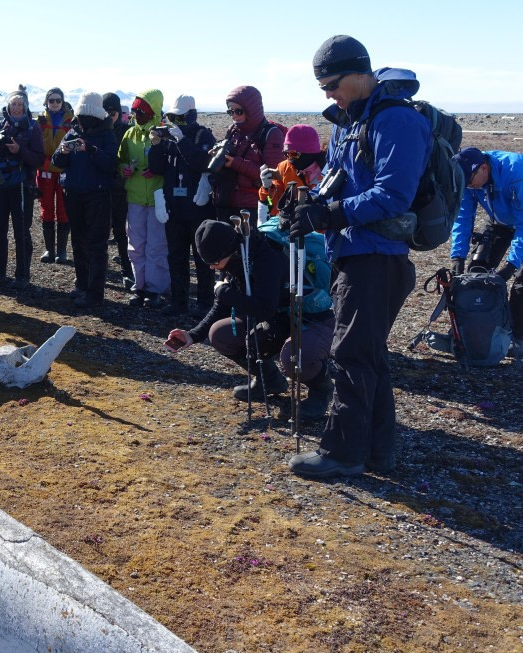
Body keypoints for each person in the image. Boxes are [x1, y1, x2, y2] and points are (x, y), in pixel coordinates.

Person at [287, 35, 431, 479]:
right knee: (368, 356)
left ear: (359, 72)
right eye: (322, 86)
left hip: (377, 257)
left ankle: (342, 452)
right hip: (353, 252)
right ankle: (377, 452)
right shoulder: (349, 121)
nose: (327, 93)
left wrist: (330, 214)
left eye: (331, 83)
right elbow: (337, 179)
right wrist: (310, 206)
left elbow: (393, 194)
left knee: (350, 353)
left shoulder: (396, 122)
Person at [165, 220, 334, 417]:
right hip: (281, 316)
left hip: (314, 317)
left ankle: (321, 391)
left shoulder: (266, 257)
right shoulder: (236, 254)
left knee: (294, 356)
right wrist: (193, 335)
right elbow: (223, 305)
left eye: (214, 262)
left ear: (226, 252)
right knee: (219, 334)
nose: (212, 268)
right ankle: (269, 379)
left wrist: (225, 292)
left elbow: (264, 309)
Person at [147, 94, 217, 316]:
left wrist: (182, 140)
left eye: (179, 117)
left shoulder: (202, 135)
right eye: (171, 117)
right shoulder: (169, 139)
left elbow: (203, 163)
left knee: (202, 257)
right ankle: (179, 301)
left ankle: (205, 302)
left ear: (190, 115)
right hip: (174, 207)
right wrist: (157, 145)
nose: (175, 122)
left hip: (198, 206)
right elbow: (157, 168)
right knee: (176, 255)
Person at [449, 147, 523, 355]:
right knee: (476, 272)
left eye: (470, 181)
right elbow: (462, 218)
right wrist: (458, 256)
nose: (469, 186)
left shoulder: (516, 172)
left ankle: (517, 336)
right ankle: (475, 327)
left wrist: (511, 265)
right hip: (500, 220)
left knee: (520, 283)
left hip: (521, 217)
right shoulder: (469, 178)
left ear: (483, 168)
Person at [52, 92, 118, 309]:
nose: (83, 119)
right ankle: (82, 284)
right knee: (78, 240)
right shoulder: (73, 131)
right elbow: (57, 161)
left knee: (97, 244)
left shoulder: (107, 134)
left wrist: (91, 150)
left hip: (97, 194)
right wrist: (63, 151)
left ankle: (95, 293)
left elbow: (110, 165)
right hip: (73, 192)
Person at [118, 89, 170, 307]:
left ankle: (155, 289)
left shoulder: (164, 134)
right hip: (136, 195)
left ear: (153, 112)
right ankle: (140, 286)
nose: (136, 115)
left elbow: (172, 163)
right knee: (136, 243)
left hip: (158, 197)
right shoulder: (130, 134)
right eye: (134, 110)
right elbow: (121, 160)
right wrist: (125, 170)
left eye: (141, 111)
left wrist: (159, 170)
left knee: (157, 245)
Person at [0, 86, 44, 288]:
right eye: (14, 104)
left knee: (21, 231)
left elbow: (38, 159)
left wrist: (20, 150)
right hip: (0, 184)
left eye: (20, 104)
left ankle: (23, 275)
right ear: (8, 106)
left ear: (26, 106)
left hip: (22, 185)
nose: (17, 108)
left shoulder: (33, 128)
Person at [212, 85, 284, 226]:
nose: (234, 116)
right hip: (227, 200)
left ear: (252, 110)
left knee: (252, 247)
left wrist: (235, 163)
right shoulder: (233, 130)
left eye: (238, 111)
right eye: (230, 111)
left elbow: (272, 176)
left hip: (254, 206)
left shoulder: (271, 133)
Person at [35, 87, 74, 264]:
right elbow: (34, 144)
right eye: (52, 100)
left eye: (58, 100)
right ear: (46, 102)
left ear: (63, 101)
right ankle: (49, 250)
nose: (55, 103)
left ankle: (62, 252)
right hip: (45, 169)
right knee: (47, 208)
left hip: (65, 169)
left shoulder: (71, 120)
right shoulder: (40, 120)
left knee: (64, 209)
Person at [257, 124, 326, 221]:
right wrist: (267, 189)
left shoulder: (328, 171)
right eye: (285, 153)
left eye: (293, 154)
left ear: (309, 152)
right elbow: (272, 208)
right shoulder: (284, 168)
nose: (288, 158)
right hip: (292, 228)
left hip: (321, 231)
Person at [102, 92, 134, 288]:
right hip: (99, 189)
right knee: (99, 232)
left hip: (120, 189)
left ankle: (127, 271)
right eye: (105, 112)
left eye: (112, 112)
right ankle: (100, 269)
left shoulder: (126, 132)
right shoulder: (96, 130)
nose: (109, 116)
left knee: (121, 232)